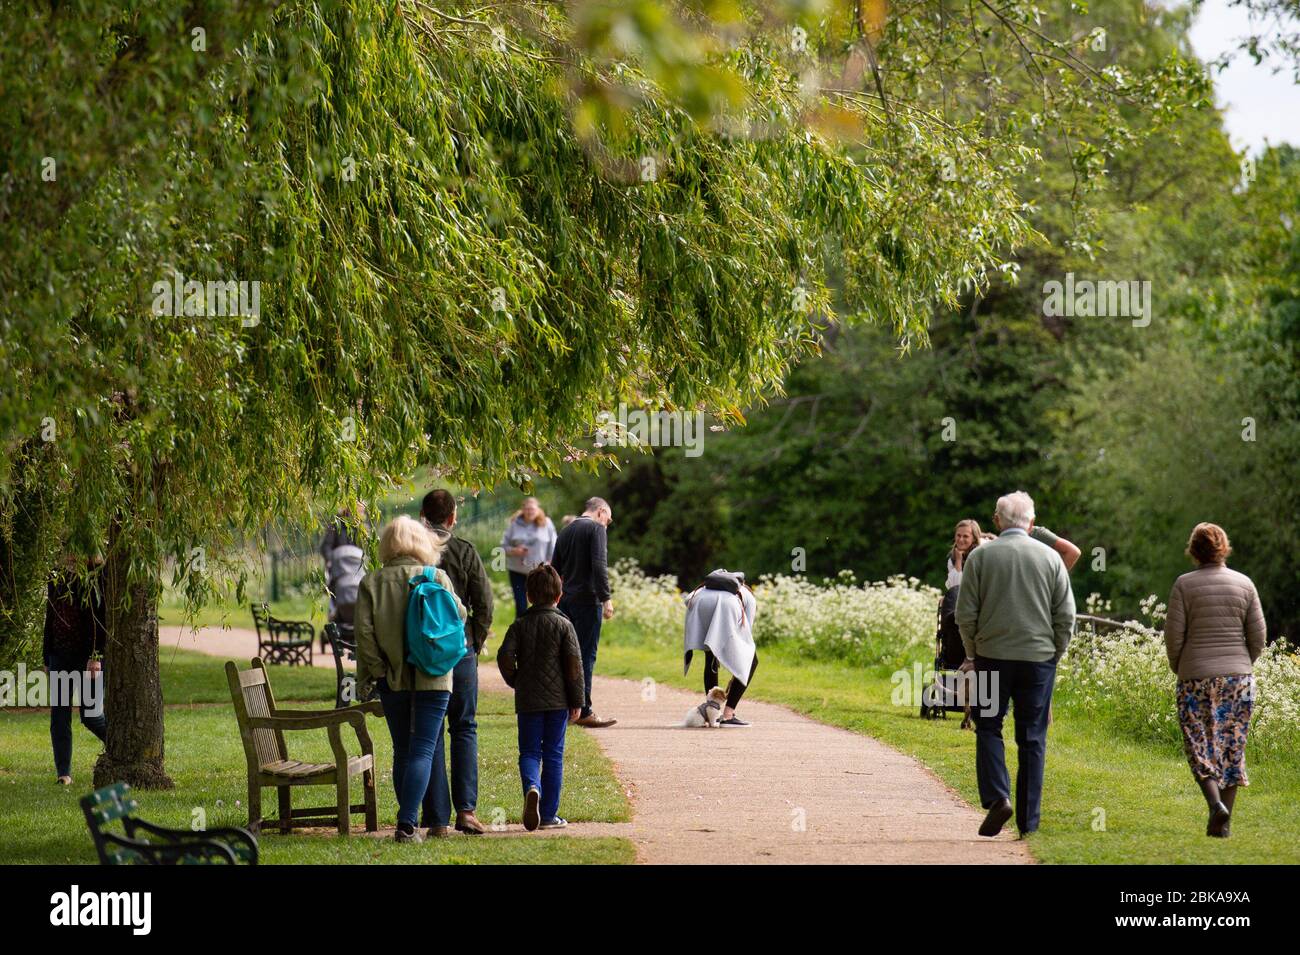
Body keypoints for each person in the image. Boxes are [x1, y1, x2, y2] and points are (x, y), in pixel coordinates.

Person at [956, 491, 1075, 838]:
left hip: (992, 656)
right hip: (1037, 660)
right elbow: (1065, 616)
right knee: (1032, 738)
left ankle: (997, 797)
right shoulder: (1050, 558)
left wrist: (973, 653)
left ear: (996, 521)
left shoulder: (980, 557)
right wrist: (1055, 654)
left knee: (989, 727)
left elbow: (965, 615)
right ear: (1032, 523)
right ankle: (1029, 821)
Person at [355, 516, 466, 842]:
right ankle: (406, 824)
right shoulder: (437, 577)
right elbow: (459, 616)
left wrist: (379, 672)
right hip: (434, 677)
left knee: (403, 750)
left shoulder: (372, 583)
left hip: (393, 679)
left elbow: (364, 635)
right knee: (423, 750)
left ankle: (407, 821)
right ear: (422, 542)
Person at [1163, 522, 1266, 838]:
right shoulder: (1245, 584)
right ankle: (1224, 823)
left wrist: (1181, 666)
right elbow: (1258, 637)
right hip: (1239, 680)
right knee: (1232, 748)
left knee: (1199, 743)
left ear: (1193, 550)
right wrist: (1241, 664)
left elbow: (1173, 637)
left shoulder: (1184, 585)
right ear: (1224, 547)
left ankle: (1214, 806)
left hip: (1195, 678)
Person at [420, 489, 494, 836]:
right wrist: (473, 641)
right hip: (460, 648)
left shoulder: (414, 553)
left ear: (424, 517)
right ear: (452, 518)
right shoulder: (464, 551)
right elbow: (485, 603)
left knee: (430, 732)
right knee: (464, 727)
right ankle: (466, 810)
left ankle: (436, 819)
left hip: (423, 652)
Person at [496, 564, 585, 831]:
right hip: (558, 703)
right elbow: (574, 666)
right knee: (554, 755)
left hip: (528, 701)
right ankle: (548, 816)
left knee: (530, 752)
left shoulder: (519, 625)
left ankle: (532, 787)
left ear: (529, 596)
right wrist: (577, 701)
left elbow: (504, 657)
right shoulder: (564, 625)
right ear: (559, 596)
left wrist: (516, 680)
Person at [550, 496, 616, 727]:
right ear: (599, 512)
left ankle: (565, 708)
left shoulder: (567, 530)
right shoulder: (596, 529)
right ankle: (584, 710)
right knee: (585, 655)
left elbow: (554, 568)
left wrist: (553, 599)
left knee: (566, 654)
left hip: (565, 600)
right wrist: (606, 598)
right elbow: (599, 565)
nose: (609, 521)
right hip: (588, 601)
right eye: (608, 516)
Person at [43, 554, 108, 785]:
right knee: (59, 716)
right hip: (60, 655)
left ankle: (122, 748)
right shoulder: (55, 576)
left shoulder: (96, 577)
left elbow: (99, 619)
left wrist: (96, 656)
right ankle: (64, 773)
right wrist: (47, 657)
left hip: (87, 658)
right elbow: (50, 616)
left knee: (90, 715)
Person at [683, 570, 758, 726]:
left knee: (710, 657)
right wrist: (737, 670)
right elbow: (746, 635)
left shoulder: (708, 587)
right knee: (751, 660)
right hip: (725, 607)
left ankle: (712, 712)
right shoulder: (749, 597)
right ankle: (728, 716)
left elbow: (687, 599)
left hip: (698, 602)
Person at [500, 497, 557, 619]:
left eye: (532, 509)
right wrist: (514, 551)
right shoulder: (514, 524)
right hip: (517, 571)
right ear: (522, 510)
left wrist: (550, 564)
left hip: (539, 571)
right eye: (526, 508)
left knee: (541, 604)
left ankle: (539, 629)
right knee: (521, 606)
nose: (529, 511)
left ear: (538, 510)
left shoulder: (547, 523)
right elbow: (503, 547)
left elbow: (553, 546)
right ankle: (520, 632)